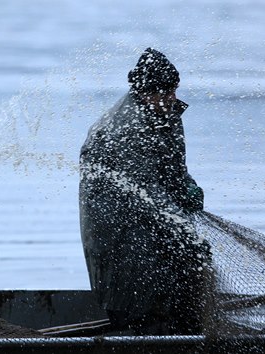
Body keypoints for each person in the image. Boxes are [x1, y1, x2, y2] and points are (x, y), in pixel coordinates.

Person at [79, 48, 212, 335]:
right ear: (143, 93)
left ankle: (180, 330)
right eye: (164, 94)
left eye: (173, 91)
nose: (171, 99)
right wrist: (184, 229)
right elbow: (147, 194)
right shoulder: (124, 129)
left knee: (184, 263)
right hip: (117, 226)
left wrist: (186, 186)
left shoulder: (167, 111)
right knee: (134, 292)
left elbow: (173, 168)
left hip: (151, 216)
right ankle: (144, 333)